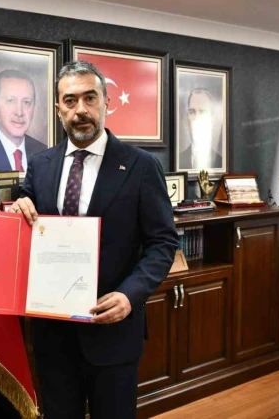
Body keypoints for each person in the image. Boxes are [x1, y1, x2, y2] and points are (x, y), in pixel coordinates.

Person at [10, 60, 178, 419]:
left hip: (112, 331)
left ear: (106, 102)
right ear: (58, 108)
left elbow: (163, 243)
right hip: (52, 334)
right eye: (70, 101)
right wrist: (18, 206)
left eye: (90, 98)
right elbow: (27, 212)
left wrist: (130, 295)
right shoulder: (40, 164)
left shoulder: (141, 166)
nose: (81, 110)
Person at [0, 69, 48, 172]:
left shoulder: (44, 153)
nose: (19, 112)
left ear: (34, 106)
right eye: (11, 101)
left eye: (26, 102)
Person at [178, 88, 222, 170]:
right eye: (192, 112)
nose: (196, 118)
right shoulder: (178, 160)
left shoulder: (221, 162)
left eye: (202, 112)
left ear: (212, 119)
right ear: (187, 117)